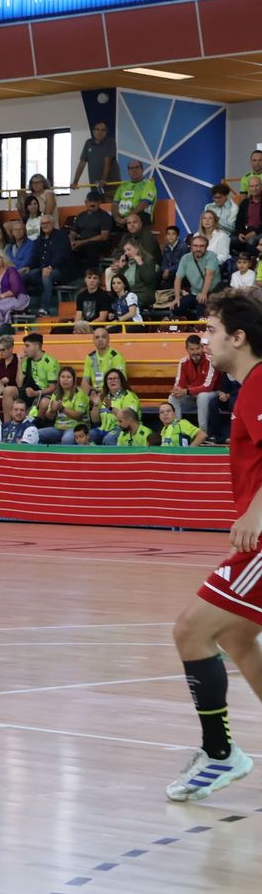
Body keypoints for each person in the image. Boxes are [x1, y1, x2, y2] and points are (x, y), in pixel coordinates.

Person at [165, 289, 262, 801]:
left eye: (212, 330)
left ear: (238, 337)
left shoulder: (260, 382)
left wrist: (256, 511)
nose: (205, 339)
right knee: (239, 640)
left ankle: (220, 754)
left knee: (191, 631)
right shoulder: (249, 388)